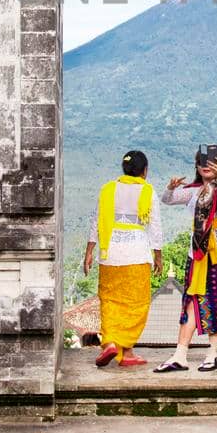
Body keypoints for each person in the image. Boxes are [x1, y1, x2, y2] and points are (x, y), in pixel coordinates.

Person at [154, 144, 217, 373]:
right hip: (197, 252)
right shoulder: (193, 191)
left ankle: (212, 353)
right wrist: (170, 188)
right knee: (191, 300)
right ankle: (180, 354)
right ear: (197, 166)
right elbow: (167, 199)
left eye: (211, 163)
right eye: (202, 163)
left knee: (214, 299)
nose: (206, 167)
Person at [83, 150, 163, 369]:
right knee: (136, 303)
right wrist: (159, 256)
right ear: (144, 171)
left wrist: (89, 251)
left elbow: (96, 222)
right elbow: (155, 228)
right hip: (137, 254)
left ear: (124, 169)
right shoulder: (148, 191)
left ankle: (113, 344)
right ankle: (124, 347)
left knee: (109, 300)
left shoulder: (108, 189)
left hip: (110, 254)